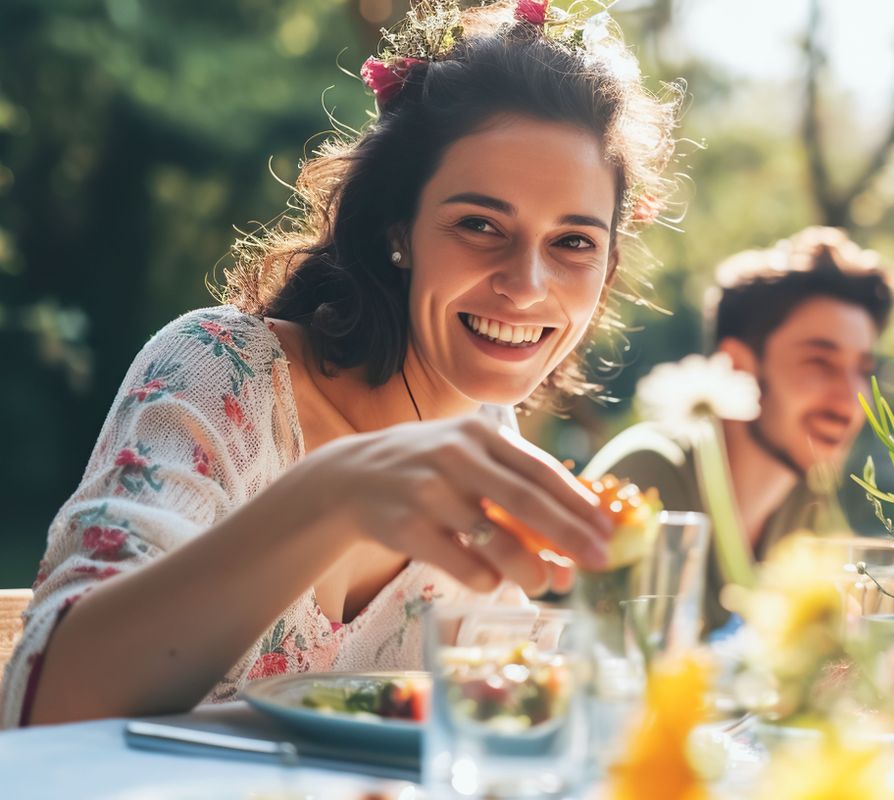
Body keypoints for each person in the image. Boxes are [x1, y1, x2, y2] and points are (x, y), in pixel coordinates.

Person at [0, 0, 681, 727]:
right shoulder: (223, 373)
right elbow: (41, 709)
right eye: (480, 225)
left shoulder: (495, 463)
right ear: (400, 233)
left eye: (574, 242)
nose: (527, 285)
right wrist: (333, 497)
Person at [586, 227, 894, 632]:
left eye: (864, 371)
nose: (852, 399)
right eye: (820, 363)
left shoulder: (807, 503)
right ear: (738, 364)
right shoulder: (647, 478)